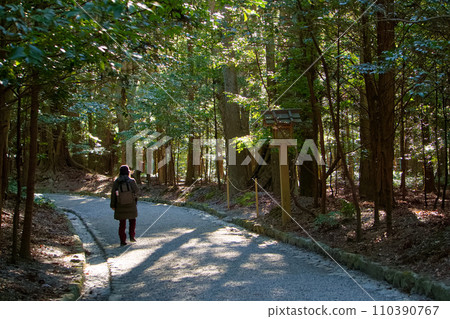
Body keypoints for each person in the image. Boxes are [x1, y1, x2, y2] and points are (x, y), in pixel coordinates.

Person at [110, 165, 138, 246]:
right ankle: (132, 236)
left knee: (122, 223)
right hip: (131, 204)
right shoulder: (131, 181)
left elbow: (113, 195)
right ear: (128, 172)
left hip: (120, 204)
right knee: (132, 221)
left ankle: (123, 240)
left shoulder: (117, 181)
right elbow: (136, 191)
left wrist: (113, 205)